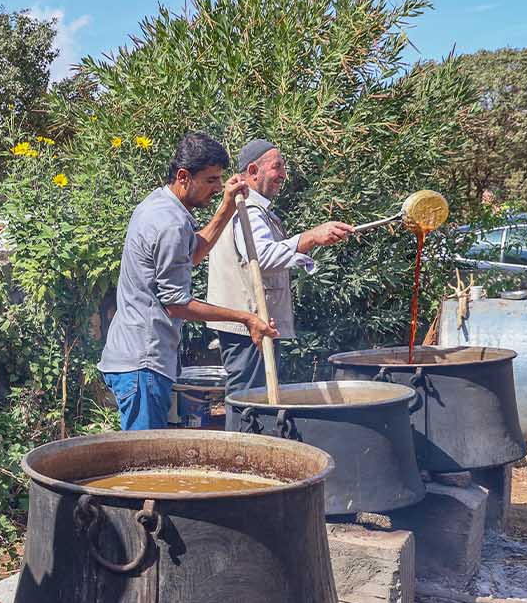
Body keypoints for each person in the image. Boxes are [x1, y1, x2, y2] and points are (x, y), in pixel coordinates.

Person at [98, 132, 279, 431]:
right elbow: (176, 304)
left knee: (148, 459)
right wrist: (245, 318)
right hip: (142, 362)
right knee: (145, 464)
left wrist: (227, 208)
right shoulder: (169, 223)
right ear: (184, 176)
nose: (217, 187)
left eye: (219, 180)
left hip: (137, 360)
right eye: (210, 180)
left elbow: (192, 253)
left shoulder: (159, 205)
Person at [207, 139, 353, 414]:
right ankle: (242, 454)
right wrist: (311, 237)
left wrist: (313, 244)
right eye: (277, 167)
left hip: (256, 323)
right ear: (253, 171)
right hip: (246, 325)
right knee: (247, 400)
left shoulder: (258, 211)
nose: (283, 174)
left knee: (256, 397)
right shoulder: (246, 210)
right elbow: (261, 257)